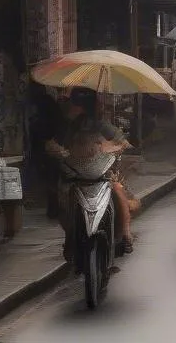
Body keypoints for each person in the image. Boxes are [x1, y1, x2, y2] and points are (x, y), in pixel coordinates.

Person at [45, 88, 135, 254]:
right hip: (74, 176)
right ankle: (71, 235)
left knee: (117, 189)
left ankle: (126, 234)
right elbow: (51, 144)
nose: (72, 108)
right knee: (61, 198)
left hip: (100, 174)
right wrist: (58, 150)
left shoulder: (101, 125)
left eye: (75, 104)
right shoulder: (68, 128)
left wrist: (111, 147)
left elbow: (123, 143)